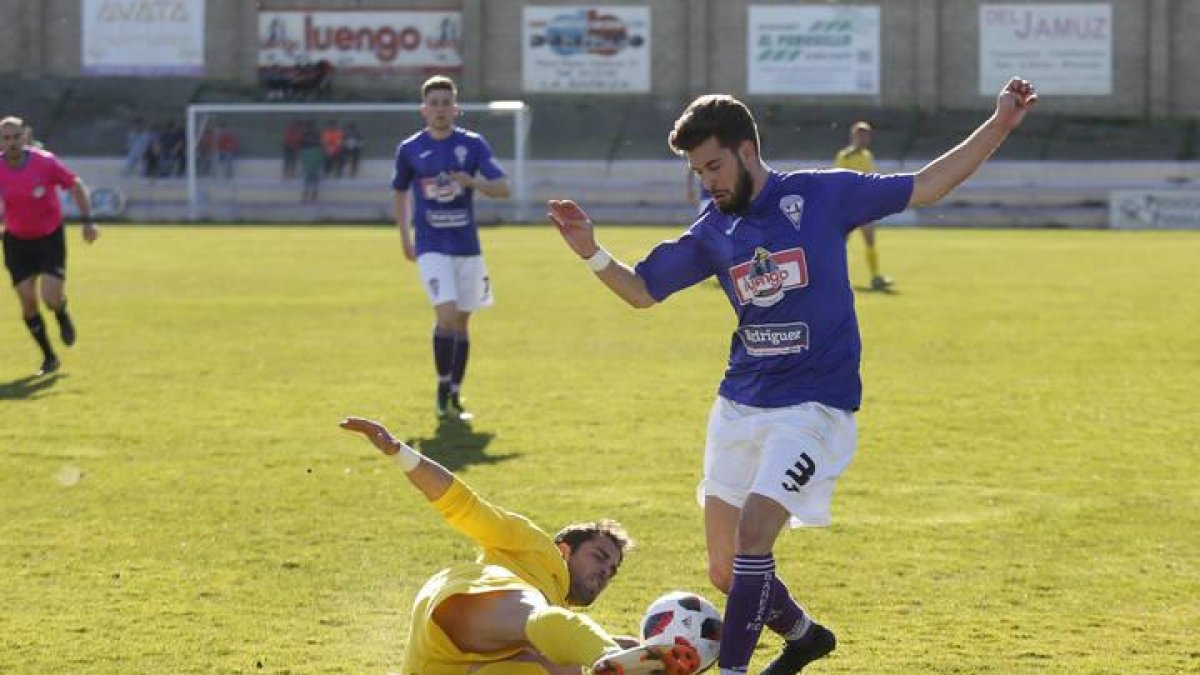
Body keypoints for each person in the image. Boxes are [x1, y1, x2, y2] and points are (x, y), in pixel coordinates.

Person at [547, 77, 1038, 675]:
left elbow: (929, 185)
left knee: (756, 537)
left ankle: (731, 671)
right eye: (700, 172)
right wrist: (591, 252)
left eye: (714, 166)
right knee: (725, 570)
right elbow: (643, 291)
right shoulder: (713, 229)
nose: (708, 181)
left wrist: (1000, 125)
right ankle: (805, 638)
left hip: (814, 408)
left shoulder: (821, 196)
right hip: (739, 405)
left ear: (747, 151)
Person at [338, 416, 701, 675]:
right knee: (542, 625)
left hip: (443, 666)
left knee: (561, 664)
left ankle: (610, 657)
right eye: (599, 557)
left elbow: (565, 634)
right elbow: (464, 507)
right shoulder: (532, 545)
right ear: (564, 549)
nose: (604, 573)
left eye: (611, 571)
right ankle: (607, 657)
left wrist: (664, 653)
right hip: (469, 601)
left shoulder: (559, 619)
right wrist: (400, 452)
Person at [392, 75, 511, 421]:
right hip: (431, 244)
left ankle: (455, 394)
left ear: (455, 109)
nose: (440, 109)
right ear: (423, 109)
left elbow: (503, 187)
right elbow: (399, 192)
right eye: (434, 103)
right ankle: (443, 388)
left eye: (447, 103)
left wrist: (471, 181)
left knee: (461, 322)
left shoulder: (473, 145)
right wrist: (405, 236)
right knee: (445, 316)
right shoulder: (410, 149)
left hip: (467, 246)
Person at [0, 116, 98, 376]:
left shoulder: (45, 162)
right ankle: (49, 357)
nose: (11, 143)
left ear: (25, 137)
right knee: (28, 304)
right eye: (5, 138)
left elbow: (75, 185)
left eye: (15, 137)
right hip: (16, 242)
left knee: (51, 298)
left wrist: (88, 221)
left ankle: (61, 313)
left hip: (48, 238)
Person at [834, 122, 891, 290]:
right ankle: (834, 277)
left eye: (866, 135)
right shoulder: (845, 156)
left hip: (864, 207)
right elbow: (840, 182)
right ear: (853, 136)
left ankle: (875, 277)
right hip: (848, 207)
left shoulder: (867, 155)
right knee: (839, 244)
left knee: (870, 241)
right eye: (860, 135)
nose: (863, 138)